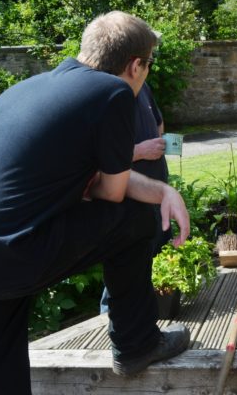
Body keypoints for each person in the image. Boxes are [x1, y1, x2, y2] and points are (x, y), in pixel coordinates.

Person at [0, 11, 191, 394]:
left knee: (0, 388)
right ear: (135, 65)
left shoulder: (29, 87)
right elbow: (112, 195)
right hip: (8, 253)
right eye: (149, 65)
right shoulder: (111, 94)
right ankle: (136, 343)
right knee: (137, 217)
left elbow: (91, 180)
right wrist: (158, 194)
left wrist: (164, 191)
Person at [100, 82, 170, 314]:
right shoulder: (107, 95)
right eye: (146, 61)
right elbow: (98, 155)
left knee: (151, 259)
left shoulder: (144, 87)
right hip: (129, 198)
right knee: (124, 268)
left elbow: (158, 123)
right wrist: (140, 150)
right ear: (133, 63)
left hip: (155, 195)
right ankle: (104, 322)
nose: (149, 66)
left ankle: (148, 321)